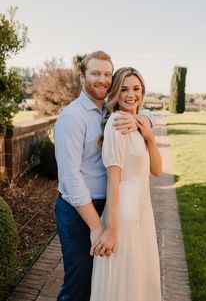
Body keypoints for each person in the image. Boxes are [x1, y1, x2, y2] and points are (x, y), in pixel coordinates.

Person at [54, 51, 155, 301]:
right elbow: (70, 180)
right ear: (82, 76)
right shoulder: (72, 117)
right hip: (80, 211)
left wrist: (142, 121)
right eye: (96, 73)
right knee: (79, 284)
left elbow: (146, 112)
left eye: (108, 74)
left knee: (102, 284)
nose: (103, 79)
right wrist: (98, 226)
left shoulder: (109, 109)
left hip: (111, 205)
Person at [90, 67, 162, 301]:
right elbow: (114, 181)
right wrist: (112, 230)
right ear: (115, 93)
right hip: (124, 215)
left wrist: (148, 134)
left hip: (142, 209)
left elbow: (157, 170)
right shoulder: (117, 124)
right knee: (123, 285)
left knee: (139, 280)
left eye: (136, 89)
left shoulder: (139, 123)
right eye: (124, 89)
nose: (131, 95)